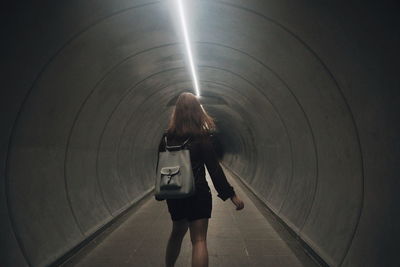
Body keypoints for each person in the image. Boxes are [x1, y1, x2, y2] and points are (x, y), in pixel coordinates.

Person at [155, 92, 244, 267]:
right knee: (199, 240)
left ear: (177, 112)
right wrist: (231, 195)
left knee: (176, 233)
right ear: (197, 111)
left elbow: (160, 168)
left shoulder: (166, 138)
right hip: (198, 194)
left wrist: (161, 193)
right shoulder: (201, 137)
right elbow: (214, 170)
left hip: (175, 193)